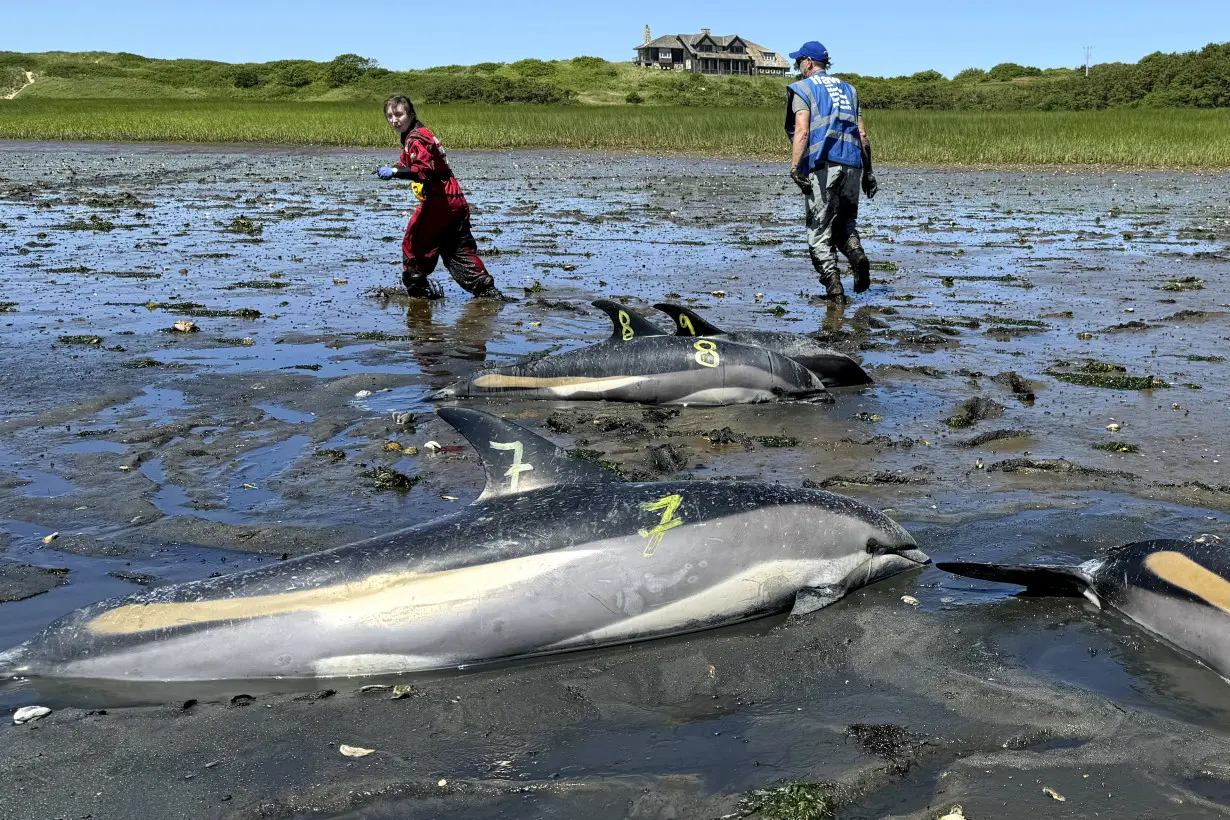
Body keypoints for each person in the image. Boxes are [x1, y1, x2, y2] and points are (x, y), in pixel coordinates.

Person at [375, 95, 509, 301]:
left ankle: (418, 289)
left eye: (399, 114)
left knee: (414, 241)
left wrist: (393, 172)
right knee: (456, 247)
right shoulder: (417, 134)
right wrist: (395, 169)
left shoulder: (416, 138)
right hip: (454, 198)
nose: (394, 120)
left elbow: (423, 170)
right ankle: (487, 291)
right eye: (390, 116)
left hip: (441, 200)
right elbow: (407, 164)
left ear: (410, 114)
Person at [785, 42, 878, 302]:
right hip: (853, 166)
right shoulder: (850, 89)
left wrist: (794, 167)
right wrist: (869, 172)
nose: (798, 67)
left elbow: (802, 130)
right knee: (845, 224)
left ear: (809, 63)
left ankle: (835, 290)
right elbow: (862, 134)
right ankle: (858, 256)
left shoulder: (803, 89)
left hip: (824, 165)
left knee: (819, 230)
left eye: (799, 62)